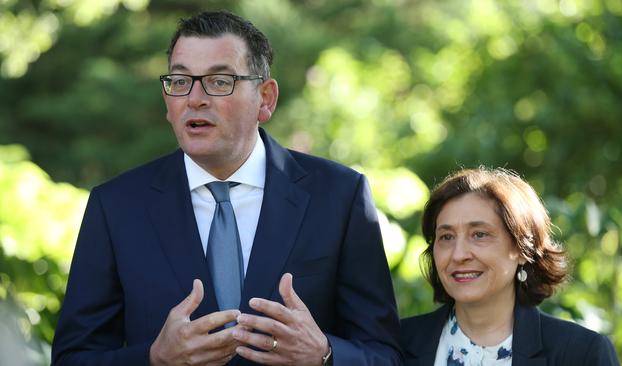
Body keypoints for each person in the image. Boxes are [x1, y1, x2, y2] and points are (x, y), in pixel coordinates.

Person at [52, 10, 401, 366]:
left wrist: (325, 355)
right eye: (180, 81)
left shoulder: (340, 196)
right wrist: (154, 359)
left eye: (219, 82)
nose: (195, 98)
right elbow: (72, 358)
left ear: (265, 98)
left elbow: (385, 354)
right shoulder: (115, 207)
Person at [400, 167, 619, 366]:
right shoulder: (397, 344)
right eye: (446, 237)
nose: (458, 255)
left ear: (522, 249)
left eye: (479, 235)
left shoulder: (581, 353)